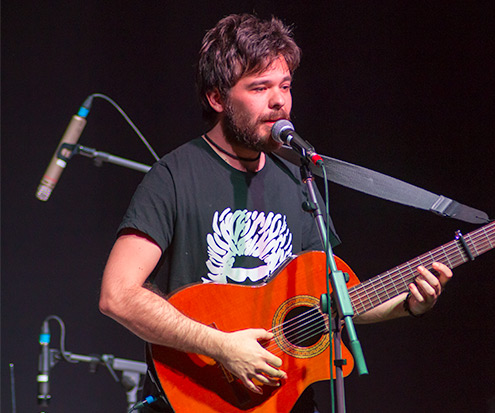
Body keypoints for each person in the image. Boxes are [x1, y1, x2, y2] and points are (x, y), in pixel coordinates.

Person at [99, 13, 452, 412]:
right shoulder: (174, 177)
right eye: (260, 87)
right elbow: (118, 295)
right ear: (217, 98)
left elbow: (331, 300)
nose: (279, 100)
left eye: (284, 85)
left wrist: (407, 303)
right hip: (204, 399)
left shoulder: (298, 177)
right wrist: (222, 346)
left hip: (290, 400)